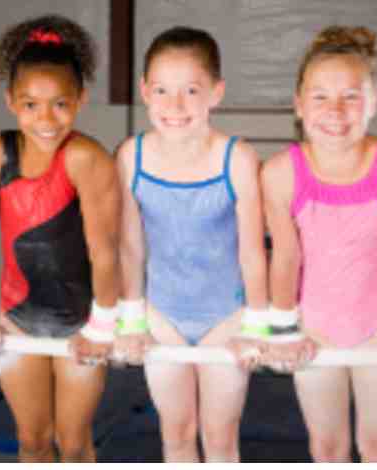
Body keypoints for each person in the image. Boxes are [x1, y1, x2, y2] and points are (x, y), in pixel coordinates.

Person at [262, 25, 377, 462]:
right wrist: (282, 331)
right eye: (320, 97)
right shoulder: (280, 173)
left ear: (374, 102)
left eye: (352, 97)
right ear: (299, 104)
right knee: (327, 449)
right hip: (314, 330)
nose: (335, 111)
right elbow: (285, 258)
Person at [0, 14, 120, 463]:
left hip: (80, 322)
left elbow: (105, 252)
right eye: (30, 104)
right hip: (18, 317)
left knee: (73, 443)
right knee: (32, 440)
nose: (46, 119)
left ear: (81, 100)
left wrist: (102, 325)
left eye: (60, 104)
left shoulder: (86, 157)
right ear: (11, 101)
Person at [115, 26, 271, 463]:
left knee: (220, 437)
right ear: (144, 91)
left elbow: (252, 251)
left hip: (226, 316)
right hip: (162, 314)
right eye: (162, 90)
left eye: (191, 91)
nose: (175, 106)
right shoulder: (131, 156)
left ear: (216, 93)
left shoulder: (237, 158)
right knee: (176, 433)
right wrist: (131, 320)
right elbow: (130, 246)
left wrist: (257, 324)